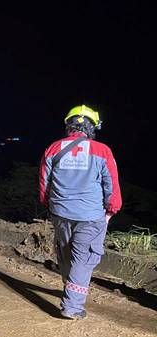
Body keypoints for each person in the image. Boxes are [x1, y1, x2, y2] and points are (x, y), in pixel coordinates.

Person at [39, 105, 121, 320]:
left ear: (69, 126)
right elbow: (111, 186)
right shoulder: (102, 151)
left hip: (60, 212)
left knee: (66, 253)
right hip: (89, 215)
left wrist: (49, 205)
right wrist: (111, 210)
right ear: (92, 127)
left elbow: (43, 184)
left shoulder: (53, 148)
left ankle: (70, 289)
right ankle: (72, 307)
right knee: (83, 259)